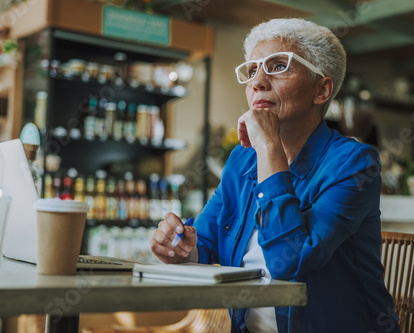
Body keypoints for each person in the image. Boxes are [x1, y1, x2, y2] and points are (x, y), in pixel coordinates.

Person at [150, 18, 399, 333]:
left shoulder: (355, 163)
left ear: (321, 90)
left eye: (279, 66)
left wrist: (269, 149)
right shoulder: (242, 159)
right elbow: (206, 239)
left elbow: (289, 263)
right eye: (252, 70)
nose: (258, 82)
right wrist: (181, 247)